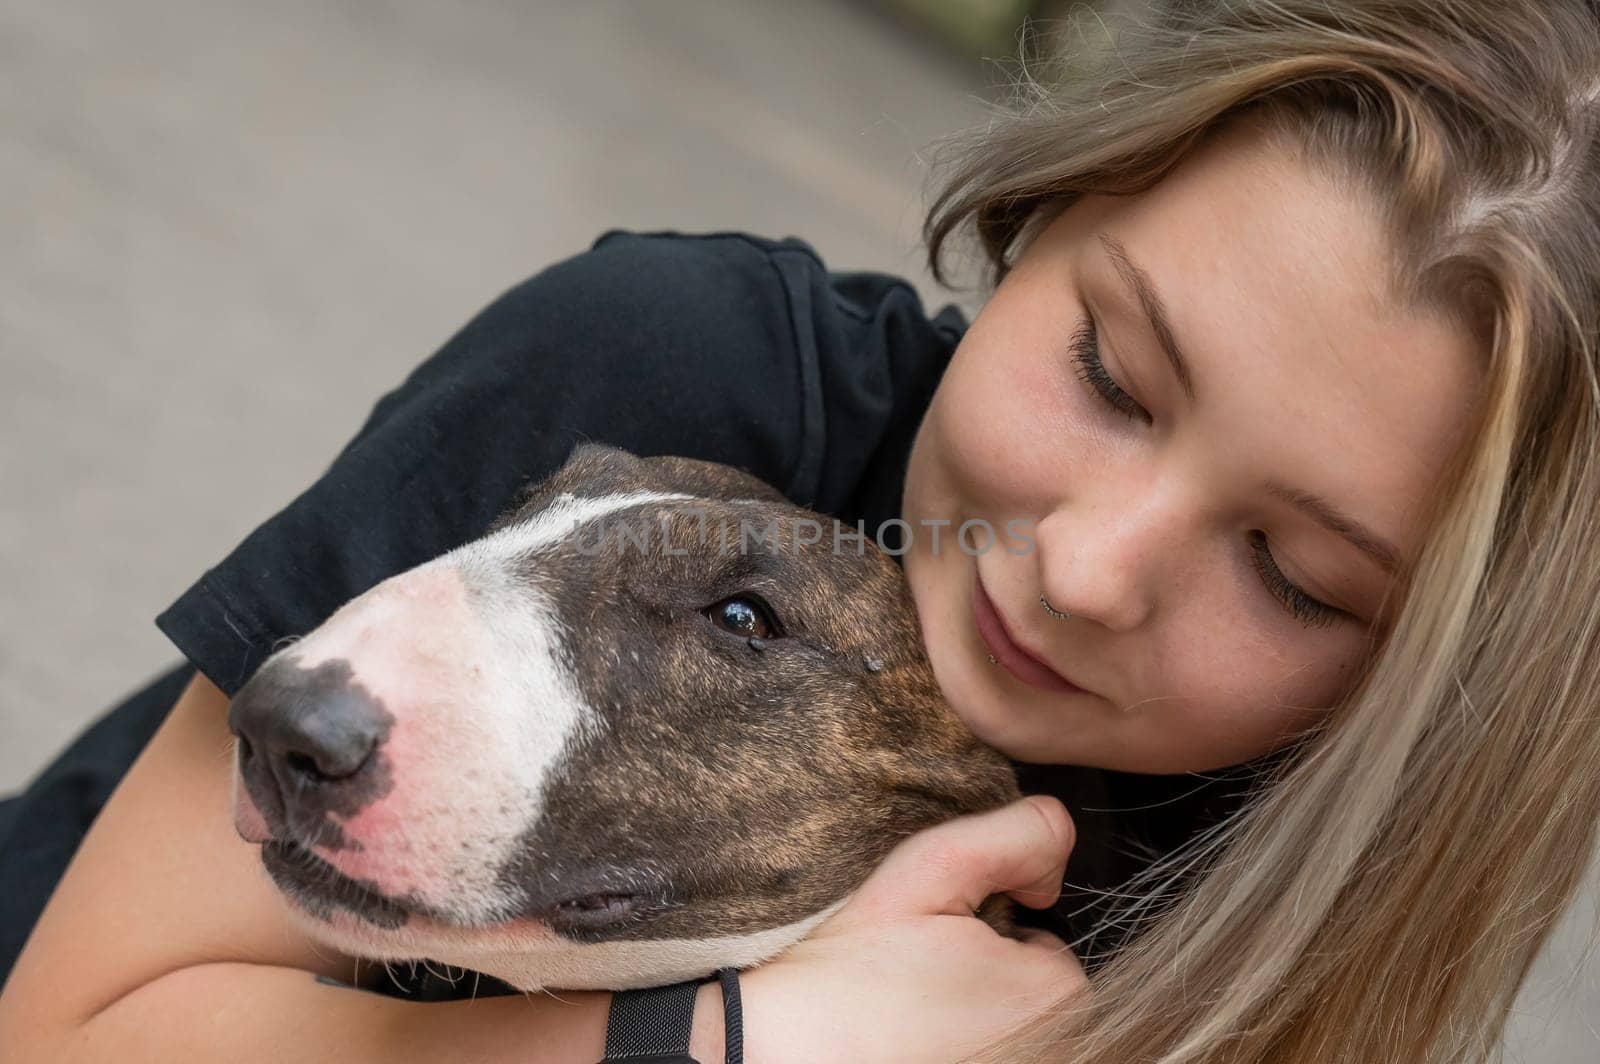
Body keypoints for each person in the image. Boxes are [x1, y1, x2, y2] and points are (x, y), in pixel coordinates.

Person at [3, 0, 1599, 1059]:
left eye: (1292, 574)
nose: (1089, 568)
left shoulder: (1291, 883)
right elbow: (66, 1034)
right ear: (1049, 207)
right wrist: (731, 1040)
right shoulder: (684, 363)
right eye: (1113, 375)